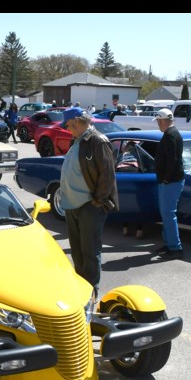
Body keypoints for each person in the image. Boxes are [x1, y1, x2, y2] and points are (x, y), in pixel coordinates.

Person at [58, 107, 118, 291]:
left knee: (90, 252)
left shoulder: (98, 141)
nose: (68, 129)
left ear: (77, 121)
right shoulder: (77, 140)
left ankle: (91, 292)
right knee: (77, 251)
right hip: (72, 205)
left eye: (68, 125)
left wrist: (98, 201)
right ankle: (80, 288)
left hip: (88, 206)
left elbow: (107, 175)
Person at [153, 109, 185, 260]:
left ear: (162, 120)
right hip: (170, 180)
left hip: (171, 181)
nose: (158, 124)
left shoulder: (171, 135)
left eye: (158, 121)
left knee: (168, 214)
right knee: (166, 214)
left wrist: (166, 178)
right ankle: (169, 244)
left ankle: (175, 247)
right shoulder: (172, 134)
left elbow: (173, 160)